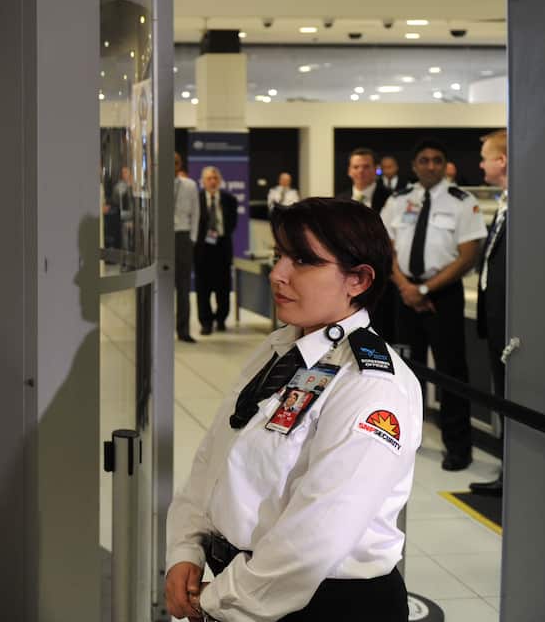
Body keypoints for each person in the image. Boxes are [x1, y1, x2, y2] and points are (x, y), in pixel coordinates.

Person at [166, 198, 421, 622]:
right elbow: (215, 456)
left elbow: (318, 533)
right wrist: (186, 547)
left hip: (324, 605)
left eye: (303, 260)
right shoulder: (283, 347)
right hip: (247, 589)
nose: (278, 274)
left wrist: (219, 600)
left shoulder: (371, 384)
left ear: (357, 279)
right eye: (279, 255)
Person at [381, 140, 485, 471]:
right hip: (405, 293)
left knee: (452, 372)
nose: (430, 166)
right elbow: (387, 249)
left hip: (443, 296)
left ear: (444, 165)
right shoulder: (399, 201)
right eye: (423, 160)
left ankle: (458, 447)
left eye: (437, 160)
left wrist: (425, 288)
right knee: (405, 372)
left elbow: (469, 256)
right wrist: (407, 287)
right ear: (414, 166)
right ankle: (406, 439)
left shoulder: (461, 201)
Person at [470, 130, 508, 496]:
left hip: (512, 327)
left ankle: (512, 474)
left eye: (485, 156)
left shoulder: (525, 205)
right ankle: (506, 470)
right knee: (502, 398)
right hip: (496, 322)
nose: (480, 163)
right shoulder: (505, 202)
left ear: (503, 161)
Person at [348, 148, 395, 339]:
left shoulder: (392, 198)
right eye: (356, 167)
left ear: (376, 169)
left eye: (366, 167)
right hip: (348, 278)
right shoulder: (339, 200)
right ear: (349, 171)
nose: (361, 171)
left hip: (383, 281)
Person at [195, 167, 238, 335]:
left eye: (215, 178)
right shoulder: (196, 199)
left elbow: (232, 224)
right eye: (208, 178)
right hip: (202, 248)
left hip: (222, 246)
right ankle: (206, 322)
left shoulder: (229, 199)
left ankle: (221, 319)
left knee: (223, 286)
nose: (212, 181)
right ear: (203, 181)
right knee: (203, 287)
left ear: (219, 180)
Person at [174, 152, 200, 343]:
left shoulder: (190, 185)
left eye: (176, 162)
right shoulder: (156, 184)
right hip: (161, 239)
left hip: (183, 237)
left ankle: (183, 330)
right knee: (161, 287)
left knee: (183, 287)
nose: (172, 165)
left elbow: (196, 213)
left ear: (180, 164)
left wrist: (192, 238)